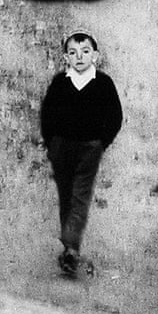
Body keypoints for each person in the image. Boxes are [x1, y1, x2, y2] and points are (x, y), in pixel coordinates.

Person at [40, 30, 123, 276]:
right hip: (61, 146)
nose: (80, 57)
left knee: (80, 194)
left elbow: (115, 116)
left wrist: (101, 142)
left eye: (85, 52)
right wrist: (51, 142)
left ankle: (71, 248)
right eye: (73, 53)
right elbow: (48, 113)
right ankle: (69, 243)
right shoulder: (60, 82)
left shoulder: (103, 83)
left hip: (89, 147)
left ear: (95, 56)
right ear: (66, 57)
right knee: (66, 193)